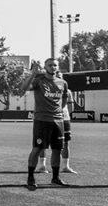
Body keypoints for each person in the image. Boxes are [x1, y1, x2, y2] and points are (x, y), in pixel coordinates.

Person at [18, 57, 71, 191]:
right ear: (45, 67)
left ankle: (55, 177)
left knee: (57, 150)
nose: (53, 67)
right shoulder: (39, 81)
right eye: (50, 65)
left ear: (57, 67)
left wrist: (57, 111)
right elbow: (23, 89)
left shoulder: (63, 83)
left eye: (55, 65)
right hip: (42, 120)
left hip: (58, 120)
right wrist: (33, 74)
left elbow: (64, 101)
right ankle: (30, 177)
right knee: (37, 148)